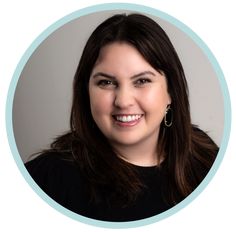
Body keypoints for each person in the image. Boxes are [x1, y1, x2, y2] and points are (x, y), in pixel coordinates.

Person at [25, 13, 219, 222]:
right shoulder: (46, 180)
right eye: (106, 82)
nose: (123, 101)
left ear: (171, 91)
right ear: (86, 91)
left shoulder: (208, 161)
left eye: (142, 80)